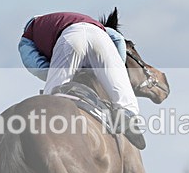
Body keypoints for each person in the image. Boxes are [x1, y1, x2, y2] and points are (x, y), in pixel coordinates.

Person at [18, 11, 146, 149]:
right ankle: (129, 118)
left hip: (71, 39)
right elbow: (118, 39)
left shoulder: (28, 37)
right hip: (100, 37)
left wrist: (63, 73)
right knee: (124, 96)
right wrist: (114, 71)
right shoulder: (78, 18)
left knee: (53, 97)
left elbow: (37, 67)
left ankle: (50, 135)